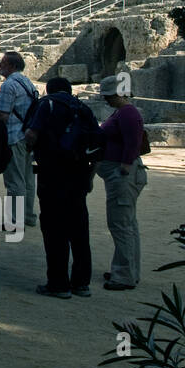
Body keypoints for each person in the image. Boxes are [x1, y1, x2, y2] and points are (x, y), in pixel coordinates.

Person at [24, 77, 95, 298]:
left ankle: (58, 283)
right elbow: (97, 144)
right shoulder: (82, 107)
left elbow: (31, 135)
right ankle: (81, 282)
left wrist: (30, 149)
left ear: (49, 89)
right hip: (79, 174)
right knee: (79, 230)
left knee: (55, 230)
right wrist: (90, 176)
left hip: (53, 174)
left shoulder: (47, 104)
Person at [98, 75, 147, 291]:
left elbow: (133, 141)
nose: (106, 99)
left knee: (120, 225)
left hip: (123, 175)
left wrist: (124, 167)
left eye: (109, 95)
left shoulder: (127, 112)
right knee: (127, 224)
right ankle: (128, 270)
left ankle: (123, 275)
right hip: (121, 173)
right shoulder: (124, 112)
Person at [0, 51, 40, 229]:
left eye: (3, 63)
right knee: (28, 178)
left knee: (14, 180)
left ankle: (15, 219)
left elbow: (3, 115)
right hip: (27, 135)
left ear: (12, 66)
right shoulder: (27, 82)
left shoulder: (9, 85)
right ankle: (28, 215)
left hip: (13, 135)